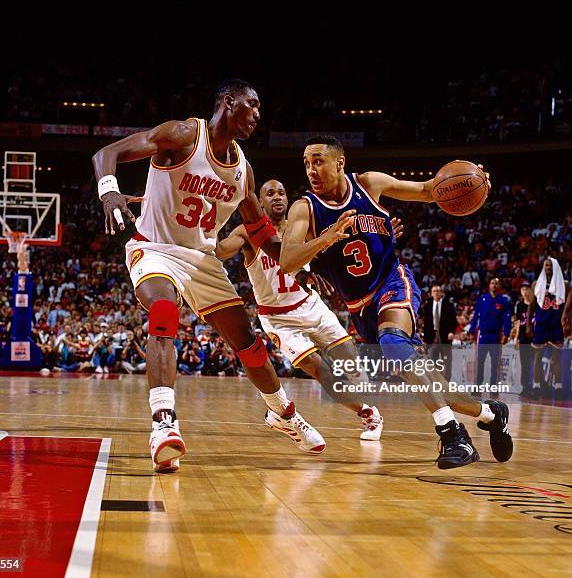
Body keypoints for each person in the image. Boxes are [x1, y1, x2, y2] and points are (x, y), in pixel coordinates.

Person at [92, 79, 324, 473]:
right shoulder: (183, 135)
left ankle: (282, 413)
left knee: (249, 344)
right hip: (155, 248)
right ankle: (163, 424)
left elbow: (261, 233)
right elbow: (106, 152)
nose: (258, 113)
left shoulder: (243, 170)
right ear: (229, 103)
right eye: (252, 104)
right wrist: (109, 192)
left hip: (201, 260)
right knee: (164, 309)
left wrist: (298, 266)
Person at [279, 135, 513, 469]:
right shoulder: (305, 207)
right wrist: (327, 237)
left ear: (339, 162)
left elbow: (428, 190)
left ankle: (452, 435)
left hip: (392, 282)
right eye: (306, 163)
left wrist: (476, 178)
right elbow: (287, 260)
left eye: (318, 161)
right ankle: (491, 414)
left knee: (393, 343)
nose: (311, 169)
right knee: (432, 384)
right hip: (359, 308)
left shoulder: (368, 184)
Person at [216, 178, 394, 440]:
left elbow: (343, 242)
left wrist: (382, 237)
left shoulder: (303, 227)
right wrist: (213, 220)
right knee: (318, 368)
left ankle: (364, 401)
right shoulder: (246, 233)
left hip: (311, 306)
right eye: (270, 193)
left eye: (281, 192)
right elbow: (220, 251)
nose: (277, 197)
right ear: (260, 203)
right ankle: (367, 413)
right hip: (277, 317)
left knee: (353, 365)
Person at [527, 257, 567, 400]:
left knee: (556, 358)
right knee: (537, 356)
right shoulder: (536, 284)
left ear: (555, 267)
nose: (548, 267)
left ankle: (558, 387)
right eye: (546, 265)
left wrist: (567, 321)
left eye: (550, 265)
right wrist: (528, 325)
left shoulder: (564, 284)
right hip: (541, 324)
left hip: (556, 325)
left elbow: (568, 307)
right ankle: (537, 385)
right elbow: (531, 306)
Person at [469, 277, 512, 385]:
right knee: (480, 362)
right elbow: (475, 316)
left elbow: (507, 318)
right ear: (489, 285)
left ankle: (494, 386)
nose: (494, 285)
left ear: (500, 286)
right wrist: (471, 330)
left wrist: (506, 333)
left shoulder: (503, 301)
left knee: (495, 363)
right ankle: (478, 385)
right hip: (483, 336)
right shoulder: (482, 299)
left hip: (495, 336)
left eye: (497, 283)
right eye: (492, 283)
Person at [421, 284, 457, 381]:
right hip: (432, 337)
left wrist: (451, 332)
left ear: (441, 293)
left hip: (445, 337)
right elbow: (426, 324)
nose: (436, 293)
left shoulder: (448, 305)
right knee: (432, 361)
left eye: (438, 291)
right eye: (434, 291)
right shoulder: (428, 306)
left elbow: (453, 321)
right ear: (431, 294)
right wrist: (425, 339)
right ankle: (434, 383)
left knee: (447, 362)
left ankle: (447, 383)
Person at [511, 281, 533, 396]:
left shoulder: (535, 304)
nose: (525, 292)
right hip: (523, 337)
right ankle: (525, 386)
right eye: (523, 289)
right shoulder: (519, 305)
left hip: (535, 337)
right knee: (524, 363)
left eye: (527, 289)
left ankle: (535, 386)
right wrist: (516, 338)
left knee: (534, 363)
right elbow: (518, 322)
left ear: (531, 290)